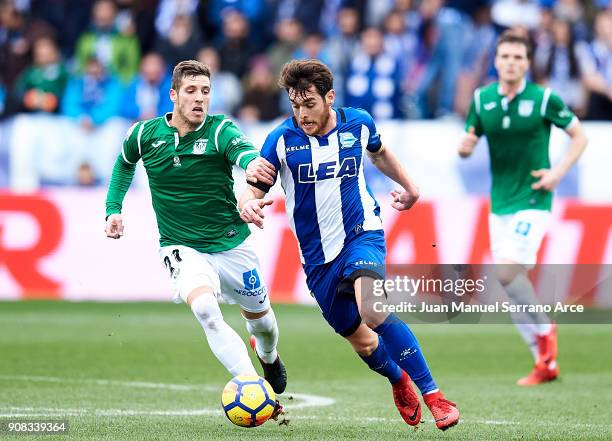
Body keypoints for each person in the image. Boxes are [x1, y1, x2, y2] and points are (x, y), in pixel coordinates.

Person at [239, 59, 460, 431]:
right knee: (364, 343)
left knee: (373, 310)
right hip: (317, 259)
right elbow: (255, 183)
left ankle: (435, 396)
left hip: (362, 232)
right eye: (295, 105)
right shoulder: (281, 140)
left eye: (309, 103)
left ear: (329, 97)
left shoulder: (357, 122)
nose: (302, 113)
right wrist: (246, 201)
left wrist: (411, 186)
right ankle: (397, 379)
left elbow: (379, 151)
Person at [104, 60, 287, 399]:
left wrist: (252, 167)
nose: (199, 98)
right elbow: (123, 165)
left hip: (231, 243)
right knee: (205, 310)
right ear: (173, 95)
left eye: (205, 91)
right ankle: (254, 388)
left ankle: (268, 356)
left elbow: (242, 152)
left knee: (263, 325)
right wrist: (113, 209)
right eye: (191, 91)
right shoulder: (144, 135)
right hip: (180, 246)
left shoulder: (220, 130)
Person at [458, 31, 588, 386]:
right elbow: (467, 143)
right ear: (496, 61)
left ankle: (546, 331)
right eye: (505, 56)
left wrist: (557, 173)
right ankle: (542, 362)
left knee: (505, 272)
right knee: (513, 286)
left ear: (528, 63)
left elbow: (580, 136)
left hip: (533, 198)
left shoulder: (544, 98)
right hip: (499, 203)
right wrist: (466, 145)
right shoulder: (482, 99)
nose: (511, 62)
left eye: (518, 57)